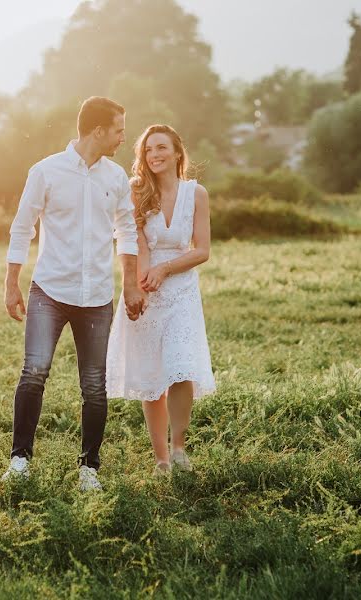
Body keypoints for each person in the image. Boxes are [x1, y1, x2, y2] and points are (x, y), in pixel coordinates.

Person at [2, 96, 146, 491]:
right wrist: (11, 282)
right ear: (98, 130)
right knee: (34, 373)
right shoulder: (45, 172)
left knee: (95, 386)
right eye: (118, 128)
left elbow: (127, 231)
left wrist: (131, 282)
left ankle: (89, 470)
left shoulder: (116, 178)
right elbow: (22, 228)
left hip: (97, 297)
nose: (122, 136)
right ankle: (19, 461)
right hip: (49, 290)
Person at [106, 124, 216, 475]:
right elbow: (132, 241)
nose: (154, 155)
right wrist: (139, 284)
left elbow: (202, 250)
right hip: (147, 286)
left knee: (181, 368)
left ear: (177, 152)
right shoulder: (136, 191)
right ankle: (160, 460)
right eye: (148, 150)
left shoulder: (196, 194)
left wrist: (167, 269)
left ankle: (179, 448)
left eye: (161, 148)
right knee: (152, 377)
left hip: (182, 289)